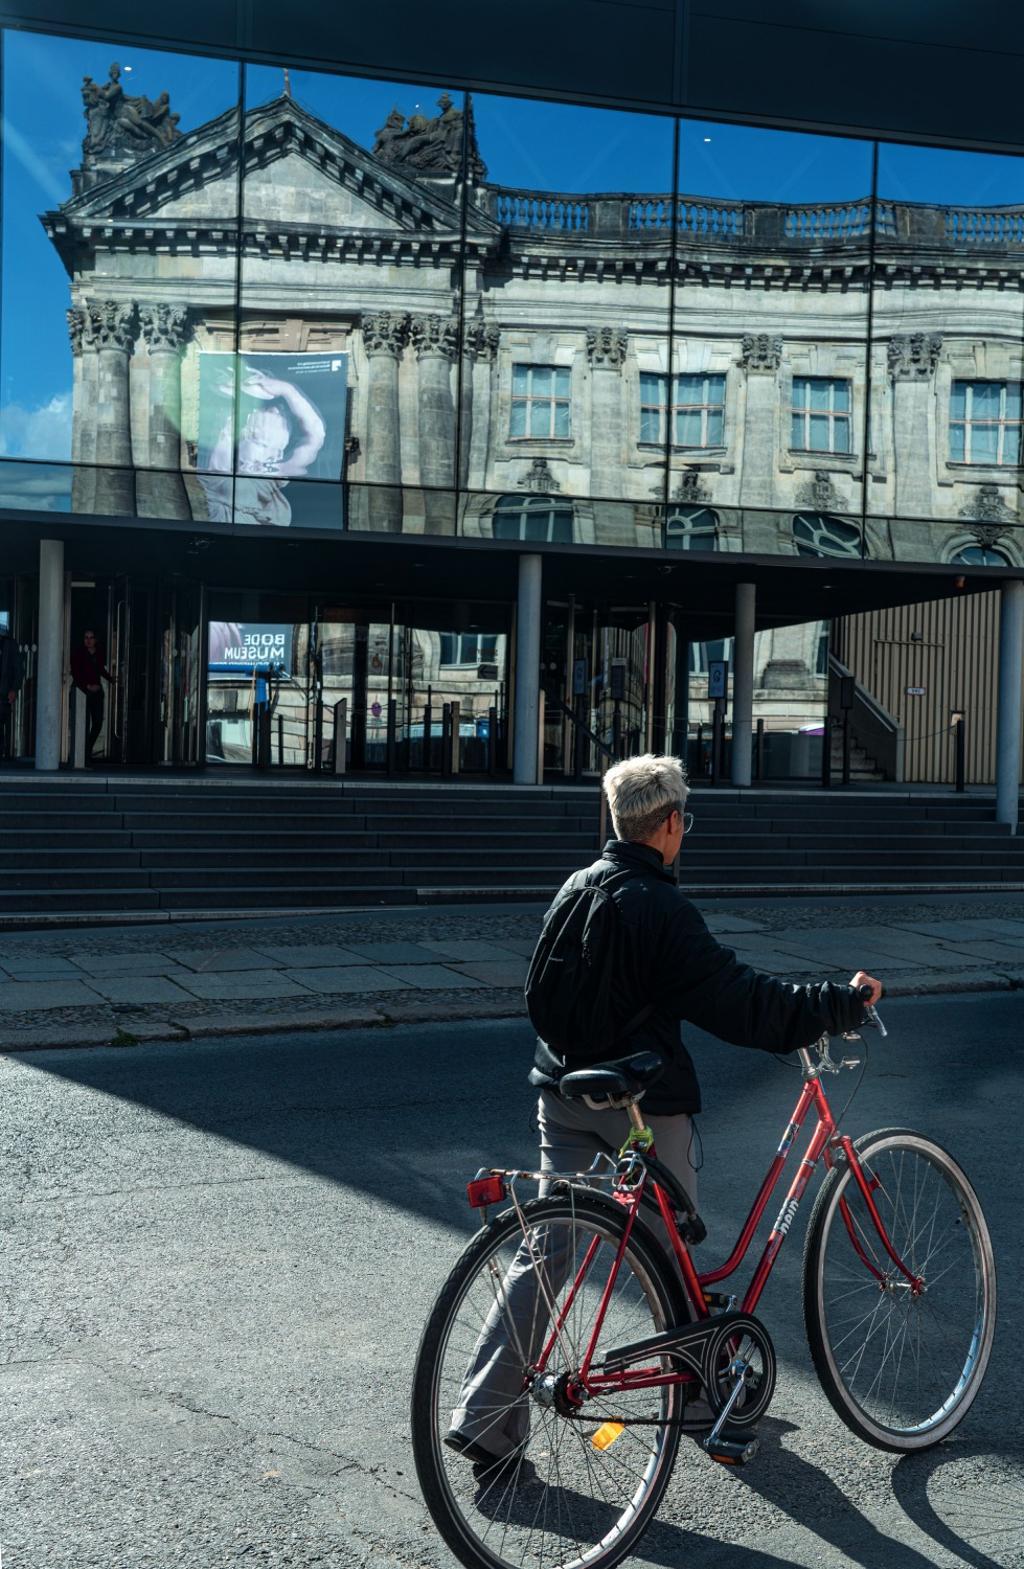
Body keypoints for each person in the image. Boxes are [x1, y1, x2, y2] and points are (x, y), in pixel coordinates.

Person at [446, 753, 883, 1476]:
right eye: (687, 822)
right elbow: (743, 1003)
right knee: (669, 1256)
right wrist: (836, 1004)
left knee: (548, 1249)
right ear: (672, 823)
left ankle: (483, 1417)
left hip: (563, 1092)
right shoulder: (662, 907)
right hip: (641, 1106)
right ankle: (705, 1404)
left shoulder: (575, 888)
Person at [199, 363, 327, 528]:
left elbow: (316, 435)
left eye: (260, 440)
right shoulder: (220, 467)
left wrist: (288, 390)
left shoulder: (275, 472)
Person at [70, 629, 113, 763]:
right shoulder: (78, 654)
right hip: (83, 692)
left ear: (95, 640)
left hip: (97, 693)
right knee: (83, 723)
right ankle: (82, 755)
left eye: (91, 637)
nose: (88, 640)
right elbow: (76, 673)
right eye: (86, 637)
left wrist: (112, 679)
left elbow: (100, 669)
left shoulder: (99, 653)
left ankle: (87, 749)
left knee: (98, 722)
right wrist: (88, 686)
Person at [0, 629, 23, 761]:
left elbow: (18, 670)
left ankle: (5, 752)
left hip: (4, 692)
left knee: (3, 721)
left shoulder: (9, 645)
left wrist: (14, 689)